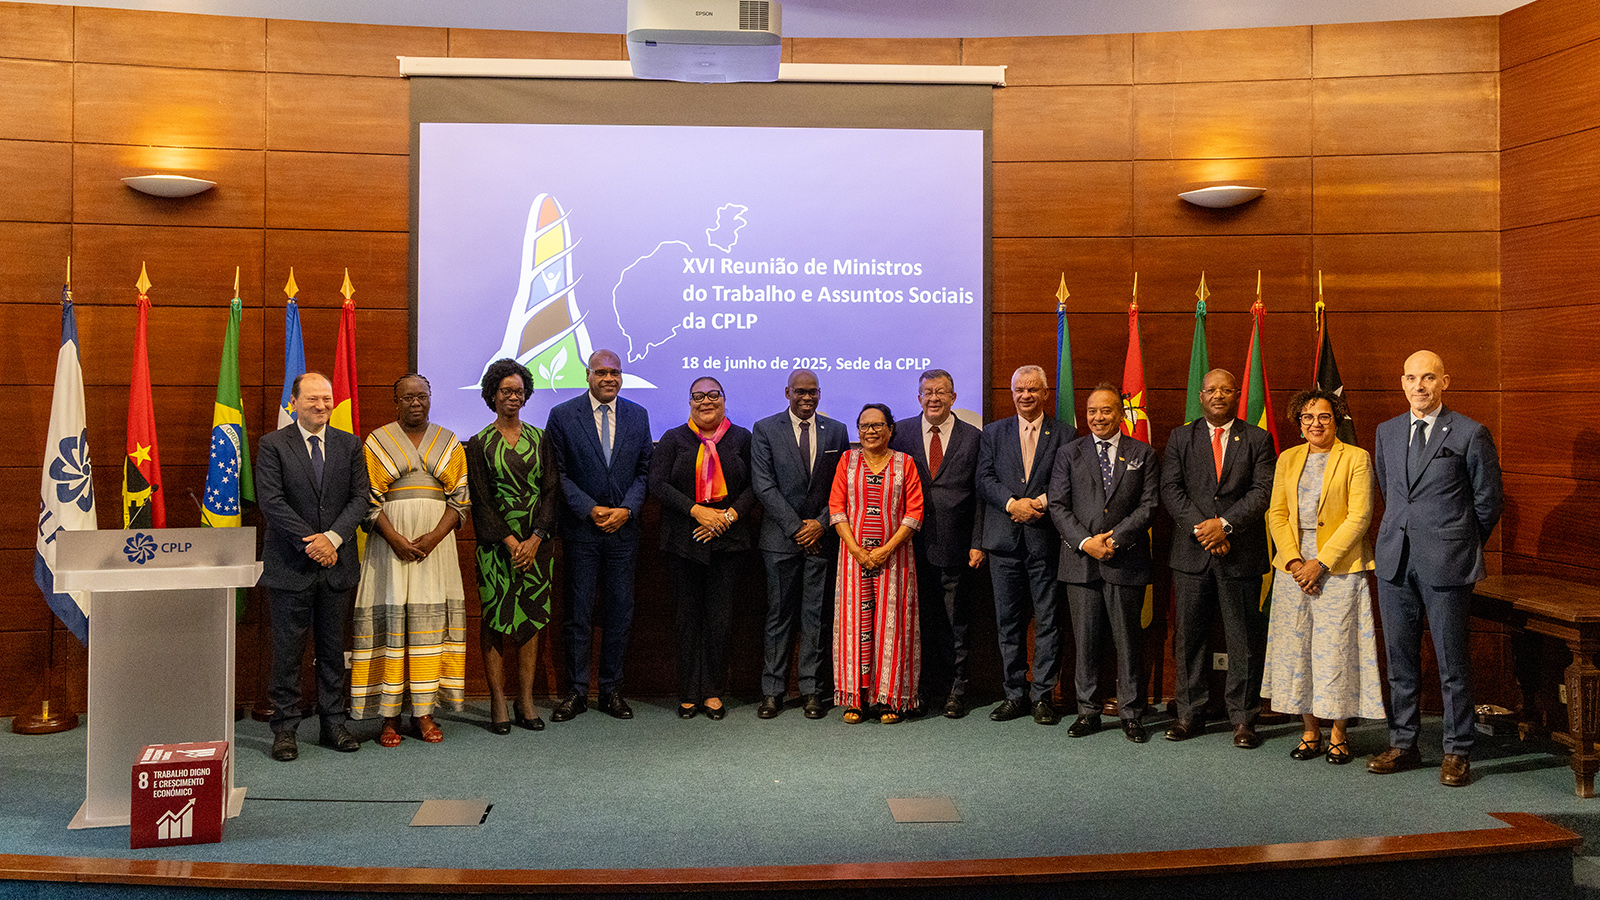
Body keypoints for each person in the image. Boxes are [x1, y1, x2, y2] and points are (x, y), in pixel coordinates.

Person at [1368, 350, 1503, 787]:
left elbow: (1488, 502)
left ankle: (1457, 749)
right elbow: (1392, 493)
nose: (1419, 386)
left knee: (1452, 662)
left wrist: (1458, 543)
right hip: (1394, 560)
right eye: (1411, 378)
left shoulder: (1469, 432)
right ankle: (1404, 743)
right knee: (1401, 660)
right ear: (1402, 382)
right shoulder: (1386, 432)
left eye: (1428, 378)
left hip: (1448, 563)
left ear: (1446, 381)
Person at [1261, 390, 1385, 766]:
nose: (1316, 423)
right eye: (1307, 418)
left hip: (1340, 570)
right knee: (1296, 652)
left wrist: (1322, 563)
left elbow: (1360, 517)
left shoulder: (1357, 458)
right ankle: (1310, 730)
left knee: (1336, 652)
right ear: (1299, 424)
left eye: (1324, 417)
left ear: (1337, 420)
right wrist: (1298, 562)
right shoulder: (1287, 459)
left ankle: (1338, 733)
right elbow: (1276, 514)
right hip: (1292, 570)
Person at [349, 374, 470, 747]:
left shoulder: (449, 440)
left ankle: (424, 713)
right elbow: (367, 499)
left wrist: (433, 537)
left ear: (431, 398)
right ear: (395, 401)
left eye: (422, 396)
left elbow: (461, 499)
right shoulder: (377, 440)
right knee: (392, 625)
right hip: (389, 548)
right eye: (408, 397)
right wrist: (396, 539)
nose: (416, 403)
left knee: (428, 629)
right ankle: (388, 717)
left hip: (435, 548)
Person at [256, 372, 370, 761]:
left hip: (336, 565)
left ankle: (333, 724)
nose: (321, 406)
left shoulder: (350, 444)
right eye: (312, 400)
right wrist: (314, 543)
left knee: (332, 650)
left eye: (327, 399)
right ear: (294, 404)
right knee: (288, 652)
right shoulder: (272, 444)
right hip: (290, 565)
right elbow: (271, 501)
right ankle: (285, 729)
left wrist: (333, 539)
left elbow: (360, 498)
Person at [1160, 368, 1276, 748]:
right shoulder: (1182, 436)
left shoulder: (1258, 438)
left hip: (1240, 552)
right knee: (1189, 637)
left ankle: (1243, 720)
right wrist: (1205, 529)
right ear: (1201, 396)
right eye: (1212, 390)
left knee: (1242, 639)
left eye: (1226, 390)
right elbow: (1171, 489)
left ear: (1237, 394)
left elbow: (1262, 491)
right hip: (1192, 555)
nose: (1218, 396)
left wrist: (1224, 526)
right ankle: (1188, 714)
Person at [1047, 383, 1160, 743]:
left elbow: (1149, 505)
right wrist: (1085, 543)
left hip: (1126, 559)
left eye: (1106, 410)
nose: (1098, 417)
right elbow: (1058, 505)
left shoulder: (1142, 452)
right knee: (1086, 641)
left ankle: (1131, 713)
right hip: (1081, 562)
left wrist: (1114, 539)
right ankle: (1087, 711)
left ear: (1121, 413)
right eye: (1092, 411)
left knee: (1128, 641)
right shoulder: (1069, 452)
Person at [544, 349, 652, 721]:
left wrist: (627, 510)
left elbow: (643, 471)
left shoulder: (638, 415)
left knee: (619, 613)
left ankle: (611, 691)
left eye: (615, 372)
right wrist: (589, 508)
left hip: (624, 531)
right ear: (587, 375)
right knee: (577, 613)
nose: (609, 378)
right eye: (601, 372)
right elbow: (558, 474)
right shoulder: (562, 416)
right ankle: (575, 691)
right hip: (581, 530)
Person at [650, 376, 757, 719]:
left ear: (724, 399)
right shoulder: (673, 438)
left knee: (720, 619)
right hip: (684, 539)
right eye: (699, 396)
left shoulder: (741, 438)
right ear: (690, 401)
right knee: (686, 618)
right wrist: (697, 512)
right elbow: (658, 483)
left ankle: (712, 692)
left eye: (714, 395)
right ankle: (687, 692)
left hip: (729, 540)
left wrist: (726, 517)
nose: (706, 401)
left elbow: (756, 484)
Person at [465, 359, 561, 735]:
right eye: (506, 390)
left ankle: (525, 700)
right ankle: (498, 701)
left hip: (537, 546)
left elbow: (551, 491)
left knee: (531, 621)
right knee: (494, 622)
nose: (513, 396)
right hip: (496, 548)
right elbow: (481, 500)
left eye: (519, 391)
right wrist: (510, 541)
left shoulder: (541, 439)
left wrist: (535, 538)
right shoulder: (478, 443)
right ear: (492, 394)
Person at [750, 369, 847, 719]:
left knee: (815, 617)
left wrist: (820, 524)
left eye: (813, 392)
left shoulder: (836, 430)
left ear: (820, 394)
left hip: (821, 540)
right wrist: (796, 527)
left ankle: (811, 690)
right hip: (780, 540)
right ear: (787, 392)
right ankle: (773, 691)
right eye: (800, 392)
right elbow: (763, 485)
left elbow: (841, 485)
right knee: (778, 618)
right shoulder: (765, 429)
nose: (807, 398)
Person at [888, 368, 984, 719]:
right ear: (918, 398)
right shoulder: (902, 433)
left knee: (955, 622)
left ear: (953, 397)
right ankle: (923, 689)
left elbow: (980, 496)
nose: (933, 398)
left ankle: (957, 689)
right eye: (927, 392)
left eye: (941, 392)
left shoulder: (973, 437)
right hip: (910, 545)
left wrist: (978, 542)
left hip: (957, 547)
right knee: (918, 622)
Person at [976, 364, 1066, 725]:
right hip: (1003, 542)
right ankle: (1015, 693)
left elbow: (1068, 480)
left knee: (1048, 621)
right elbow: (984, 478)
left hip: (1045, 540)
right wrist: (1013, 504)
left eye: (1033, 389)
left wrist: (1039, 504)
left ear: (1045, 393)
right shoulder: (994, 433)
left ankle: (1043, 695)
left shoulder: (1065, 433)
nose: (1025, 395)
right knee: (1008, 623)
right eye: (1019, 390)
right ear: (1011, 393)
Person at [829, 403, 924, 724]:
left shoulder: (905, 464)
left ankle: (890, 699)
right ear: (857, 431)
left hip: (895, 558)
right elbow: (836, 508)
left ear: (891, 429)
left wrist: (886, 549)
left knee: (892, 626)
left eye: (878, 425)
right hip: (853, 559)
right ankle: (856, 699)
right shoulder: (846, 461)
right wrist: (856, 549)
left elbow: (914, 513)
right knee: (855, 627)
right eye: (865, 426)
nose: (871, 431)